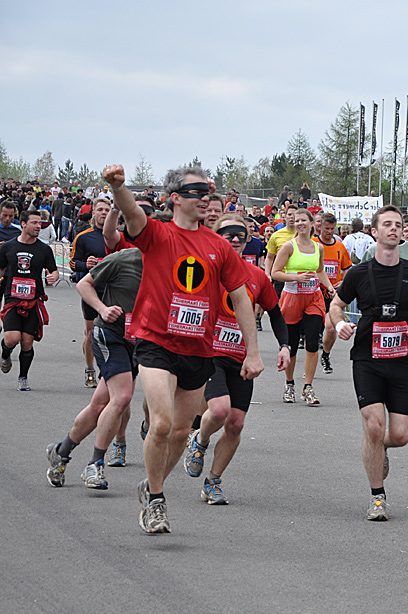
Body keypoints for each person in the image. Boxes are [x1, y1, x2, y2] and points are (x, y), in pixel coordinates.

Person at [101, 163, 264, 534]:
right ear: (175, 199)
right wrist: (118, 187)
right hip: (156, 341)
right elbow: (131, 212)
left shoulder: (219, 246)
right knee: (159, 423)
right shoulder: (156, 234)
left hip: (199, 349)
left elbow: (240, 296)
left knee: (178, 432)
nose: (206, 198)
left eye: (208, 191)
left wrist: (253, 351)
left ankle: (152, 484)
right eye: (197, 192)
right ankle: (157, 500)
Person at [327, 205, 408, 520]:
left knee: (400, 435)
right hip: (366, 360)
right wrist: (340, 323)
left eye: (398, 225)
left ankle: (379, 448)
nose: (394, 229)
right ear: (374, 231)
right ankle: (377, 497)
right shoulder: (359, 273)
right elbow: (337, 304)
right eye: (387, 224)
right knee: (374, 427)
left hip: (400, 361)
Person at [184, 214, 291, 504]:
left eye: (240, 236)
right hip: (209, 354)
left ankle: (213, 481)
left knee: (236, 424)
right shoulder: (204, 268)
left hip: (242, 358)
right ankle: (200, 440)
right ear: (216, 237)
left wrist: (285, 346)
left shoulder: (256, 276)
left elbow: (276, 313)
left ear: (248, 241)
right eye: (228, 234)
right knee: (219, 410)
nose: (234, 240)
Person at [46, 242, 142, 488]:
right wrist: (102, 308)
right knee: (121, 398)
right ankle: (95, 465)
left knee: (100, 403)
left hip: (140, 342)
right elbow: (83, 283)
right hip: (110, 334)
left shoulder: (173, 266)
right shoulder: (124, 258)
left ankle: (61, 451)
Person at [271, 208, 335, 406]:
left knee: (313, 341)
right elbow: (275, 273)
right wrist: (296, 277)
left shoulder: (318, 248)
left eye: (303, 221)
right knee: (290, 344)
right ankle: (289, 384)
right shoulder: (289, 247)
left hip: (313, 298)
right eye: (297, 221)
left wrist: (330, 287)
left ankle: (307, 386)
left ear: (311, 223)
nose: (300, 224)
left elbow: (320, 270)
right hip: (292, 297)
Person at [0, 210, 59, 391]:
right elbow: (1, 268)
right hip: (13, 298)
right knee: (11, 338)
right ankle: (5, 353)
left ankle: (23, 377)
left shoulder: (43, 249)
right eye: (34, 223)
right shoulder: (8, 247)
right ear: (23, 224)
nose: (38, 226)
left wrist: (53, 277)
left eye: (39, 223)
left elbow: (53, 270)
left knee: (27, 341)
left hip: (33, 300)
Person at [70, 197, 112, 388]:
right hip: (92, 292)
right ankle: (89, 370)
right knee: (90, 333)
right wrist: (84, 264)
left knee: (112, 333)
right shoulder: (84, 237)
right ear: (93, 213)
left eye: (107, 210)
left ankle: (108, 370)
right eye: (100, 210)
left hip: (113, 292)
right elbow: (73, 263)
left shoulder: (117, 237)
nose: (104, 213)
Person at [315, 213, 353, 374]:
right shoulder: (313, 244)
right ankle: (311, 361)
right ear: (320, 227)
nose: (329, 232)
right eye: (326, 228)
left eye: (332, 229)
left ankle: (326, 355)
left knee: (331, 329)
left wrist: (343, 282)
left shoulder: (340, 246)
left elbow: (348, 269)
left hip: (333, 295)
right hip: (315, 292)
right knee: (314, 332)